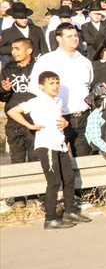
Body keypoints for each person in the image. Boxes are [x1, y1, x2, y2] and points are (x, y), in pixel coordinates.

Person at [6, 71, 82, 228]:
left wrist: (65, 123)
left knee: (68, 178)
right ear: (41, 86)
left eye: (57, 83)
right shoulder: (37, 101)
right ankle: (50, 218)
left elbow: (58, 118)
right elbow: (12, 111)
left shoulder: (58, 101)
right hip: (47, 145)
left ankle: (70, 211)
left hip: (60, 144)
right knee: (54, 182)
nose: (55, 86)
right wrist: (29, 126)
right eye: (51, 83)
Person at [30, 22, 94, 158]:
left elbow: (88, 85)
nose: (74, 39)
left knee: (85, 159)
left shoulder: (85, 62)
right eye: (69, 36)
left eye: (76, 35)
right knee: (58, 159)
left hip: (83, 117)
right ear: (58, 38)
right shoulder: (47, 60)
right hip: (59, 118)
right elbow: (35, 87)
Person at [1, 38, 35, 164]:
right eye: (12, 49)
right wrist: (4, 90)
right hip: (14, 121)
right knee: (17, 159)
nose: (14, 52)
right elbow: (3, 97)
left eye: (17, 49)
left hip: (34, 118)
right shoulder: (7, 70)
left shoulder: (37, 68)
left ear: (29, 51)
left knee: (35, 157)